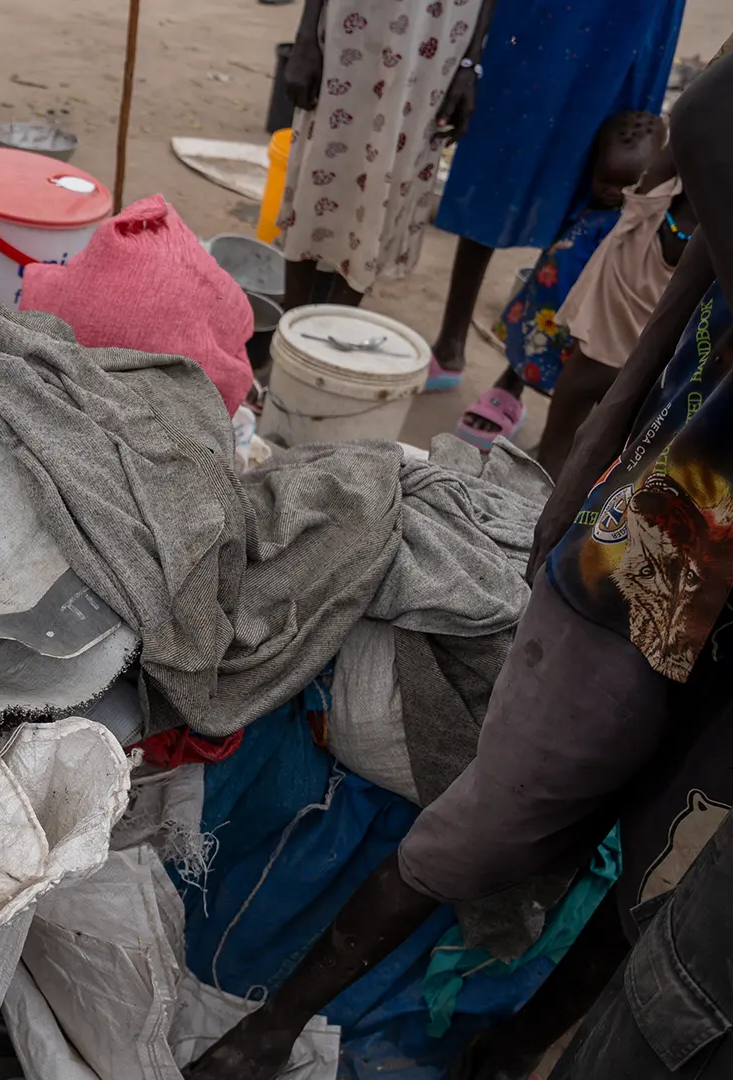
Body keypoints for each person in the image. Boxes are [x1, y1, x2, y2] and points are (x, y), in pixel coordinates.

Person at [184, 40, 733, 1080]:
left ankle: (508, 1053)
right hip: (676, 539)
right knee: (500, 812)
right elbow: (711, 116)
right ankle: (261, 1036)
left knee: (669, 874)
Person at [425, 0, 685, 389]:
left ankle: (517, 376)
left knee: (602, 177)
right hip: (545, 15)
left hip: (635, 19)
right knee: (503, 154)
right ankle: (449, 342)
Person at [450, 112, 662, 452]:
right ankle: (508, 391)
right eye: (604, 179)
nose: (611, 192)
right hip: (545, 304)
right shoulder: (579, 205)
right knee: (525, 352)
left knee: (571, 385)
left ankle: (552, 441)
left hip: (580, 320)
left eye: (624, 185)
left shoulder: (628, 232)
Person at [272, 0, 496, 312]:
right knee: (320, 155)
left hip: (438, 35)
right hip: (353, 21)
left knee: (392, 170)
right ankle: (290, 322)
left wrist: (472, 63)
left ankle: (333, 330)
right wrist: (307, 35)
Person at [528, 135, 694, 478]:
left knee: (554, 455)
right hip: (655, 379)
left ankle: (546, 469)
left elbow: (690, 117)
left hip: (595, 359)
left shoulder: (646, 208)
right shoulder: (711, 259)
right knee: (605, 470)